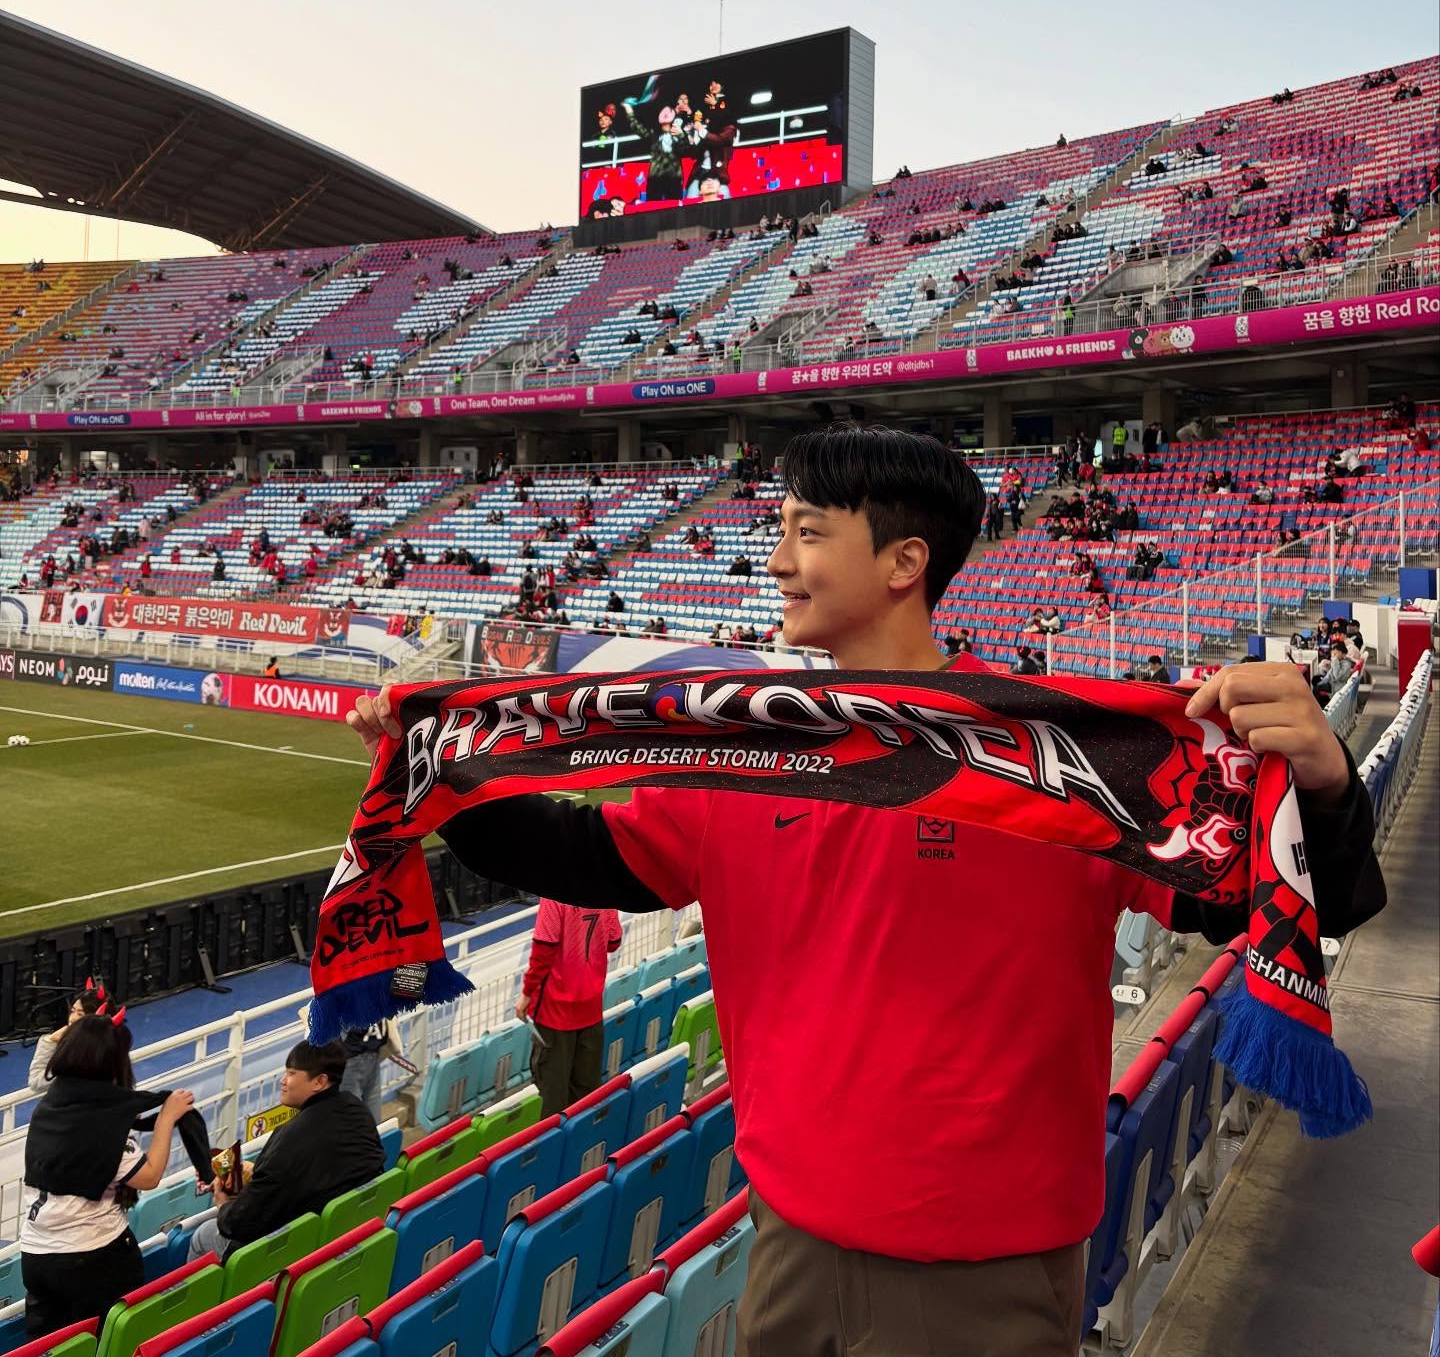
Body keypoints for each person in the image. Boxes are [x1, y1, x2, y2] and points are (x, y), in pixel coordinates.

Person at [347, 425, 1384, 1357]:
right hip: (785, 1241)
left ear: (903, 563)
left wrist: (1326, 786)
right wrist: (439, 775)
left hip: (981, 1273)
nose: (778, 560)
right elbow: (587, 857)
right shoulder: (749, 746)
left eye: (807, 532)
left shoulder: (1055, 756)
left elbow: (1285, 902)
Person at [22, 1015, 203, 1337]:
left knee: (50, 1346)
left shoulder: (49, 1106)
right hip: (93, 1254)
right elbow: (148, 1177)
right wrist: (166, 1118)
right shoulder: (104, 1123)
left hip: (36, 1254)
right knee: (110, 1339)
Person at [187, 1042, 383, 1260]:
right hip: (350, 1231)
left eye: (291, 1073)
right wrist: (257, 1171)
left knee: (203, 1235)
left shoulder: (291, 1137)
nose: (283, 1080)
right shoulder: (357, 1110)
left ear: (320, 1081)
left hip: (297, 1249)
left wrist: (224, 1205)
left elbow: (238, 1223)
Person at [515, 899, 623, 1115]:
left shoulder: (553, 895)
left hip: (555, 1012)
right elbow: (614, 941)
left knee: (551, 1098)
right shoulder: (605, 889)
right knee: (585, 1099)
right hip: (591, 1008)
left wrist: (527, 993)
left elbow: (544, 950)